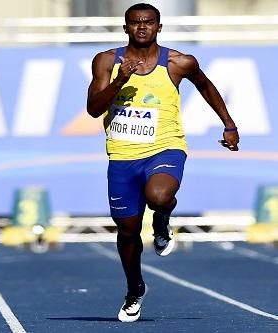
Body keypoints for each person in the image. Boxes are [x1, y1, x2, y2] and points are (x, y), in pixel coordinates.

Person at [86, 3, 239, 322]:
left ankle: (161, 220)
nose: (142, 27)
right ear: (125, 27)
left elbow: (207, 87)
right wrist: (119, 81)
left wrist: (229, 125)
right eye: (135, 23)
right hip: (122, 155)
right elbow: (93, 109)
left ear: (159, 27)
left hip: (165, 148)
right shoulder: (106, 61)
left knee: (158, 197)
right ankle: (134, 290)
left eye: (149, 23)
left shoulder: (179, 62)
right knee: (127, 230)